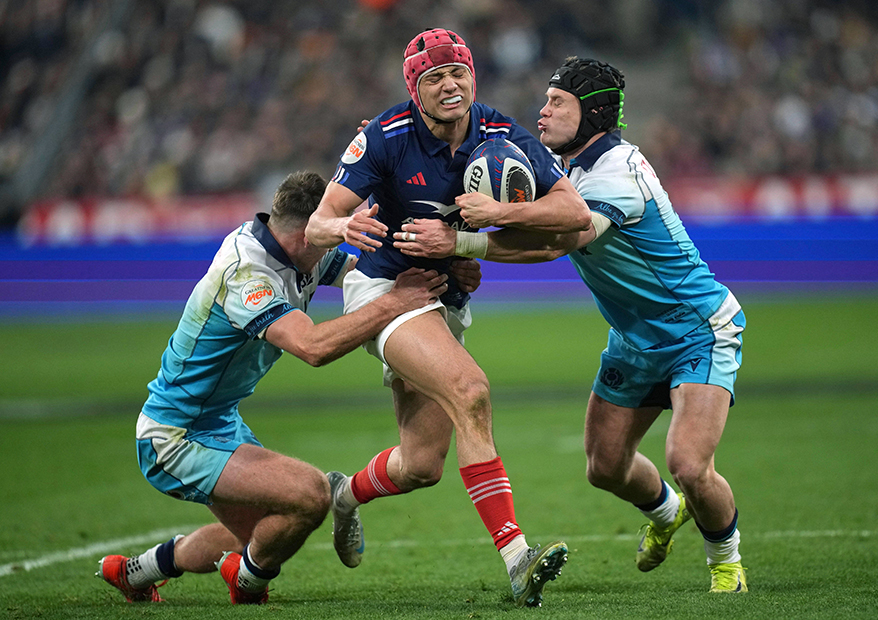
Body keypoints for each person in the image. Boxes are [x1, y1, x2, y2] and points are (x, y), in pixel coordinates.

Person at [394, 57, 748, 594]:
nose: (543, 112)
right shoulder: (564, 173)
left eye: (558, 102)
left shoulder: (620, 170)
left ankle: (726, 562)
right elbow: (544, 244)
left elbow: (571, 234)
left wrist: (480, 226)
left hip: (696, 329)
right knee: (604, 466)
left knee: (689, 462)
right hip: (633, 339)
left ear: (595, 115)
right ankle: (669, 512)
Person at [304, 28, 591, 607]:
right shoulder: (384, 136)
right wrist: (346, 227)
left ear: (472, 77)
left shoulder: (499, 131)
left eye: (458, 72)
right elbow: (318, 222)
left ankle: (344, 496)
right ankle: (517, 560)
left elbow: (574, 214)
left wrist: (480, 226)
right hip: (386, 289)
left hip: (443, 298)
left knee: (421, 464)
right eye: (433, 77)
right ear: (415, 88)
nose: (449, 85)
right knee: (471, 391)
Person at [95, 170, 460, 605]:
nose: (336, 241)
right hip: (176, 436)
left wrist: (450, 270)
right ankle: (248, 583)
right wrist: (395, 302)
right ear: (309, 233)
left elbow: (364, 273)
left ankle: (137, 572)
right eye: (330, 232)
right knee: (310, 496)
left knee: (261, 535)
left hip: (218, 421)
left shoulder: (295, 247)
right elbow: (312, 347)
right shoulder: (247, 274)